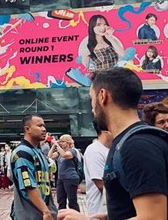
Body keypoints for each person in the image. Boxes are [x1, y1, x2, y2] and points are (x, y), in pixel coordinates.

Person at [59, 68, 168, 220]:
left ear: (102, 96)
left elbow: (154, 217)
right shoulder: (126, 143)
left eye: (91, 100)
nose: (92, 108)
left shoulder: (137, 146)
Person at [10, 114, 57, 220]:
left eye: (44, 126)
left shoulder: (38, 151)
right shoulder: (22, 152)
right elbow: (29, 186)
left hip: (42, 210)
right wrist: (46, 211)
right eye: (39, 126)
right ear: (27, 129)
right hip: (29, 213)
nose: (44, 129)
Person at [83, 120, 112, 217]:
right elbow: (101, 185)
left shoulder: (112, 149)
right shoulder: (95, 150)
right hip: (100, 210)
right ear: (105, 130)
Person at [49, 134, 81, 211]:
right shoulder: (60, 152)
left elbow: (66, 155)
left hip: (71, 178)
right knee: (60, 201)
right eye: (60, 141)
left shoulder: (73, 151)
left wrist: (57, 145)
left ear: (68, 142)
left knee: (72, 201)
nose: (61, 143)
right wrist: (54, 146)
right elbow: (50, 156)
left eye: (62, 141)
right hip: (61, 179)